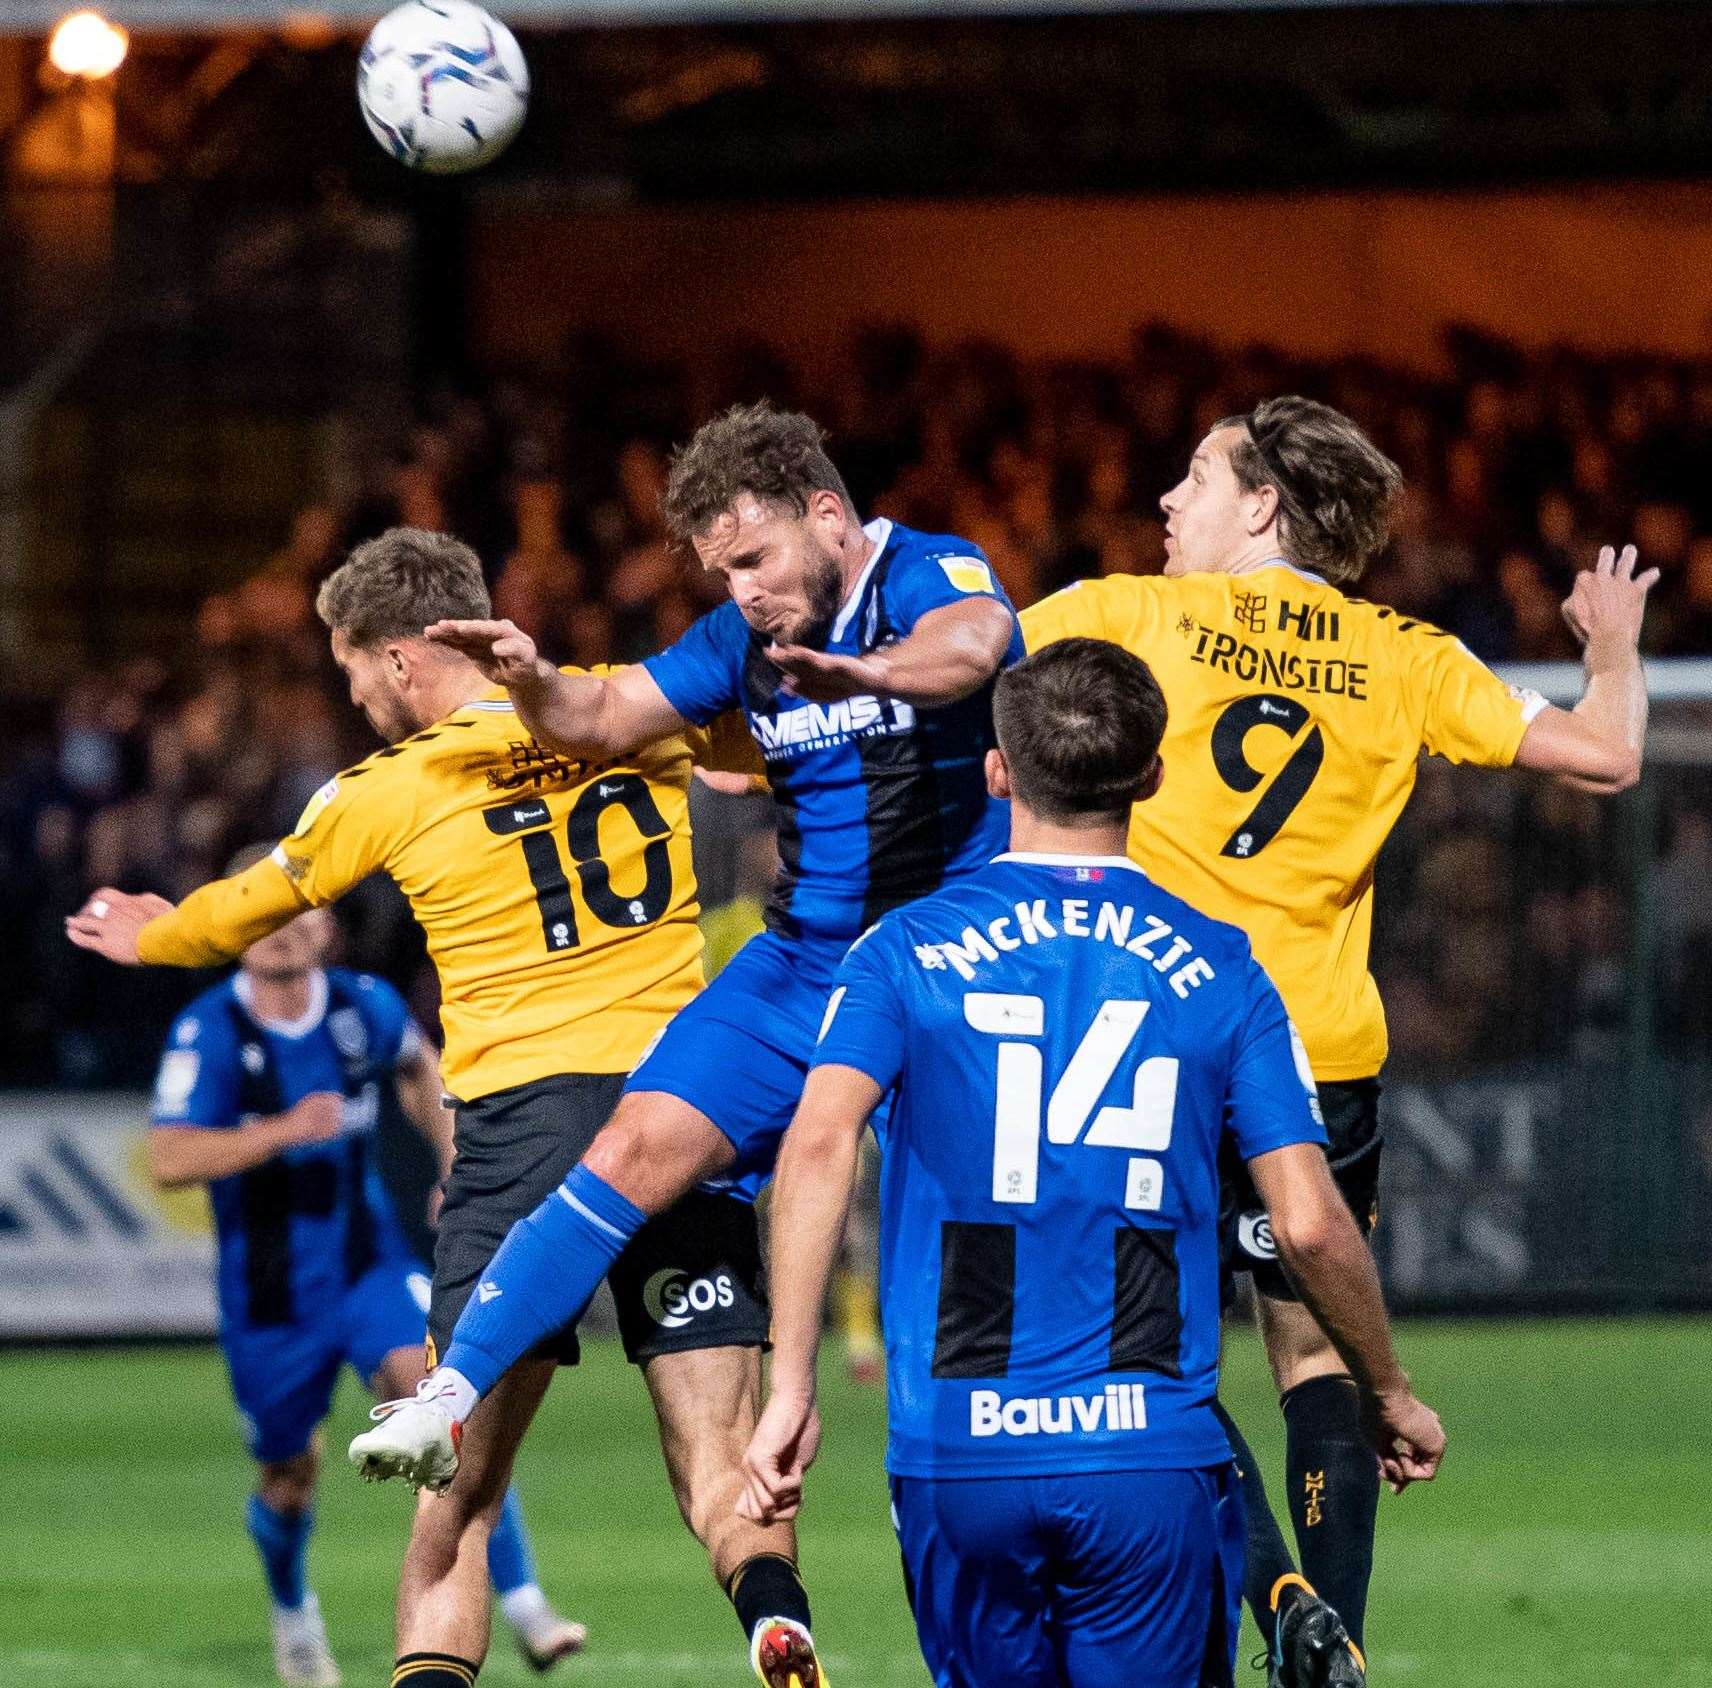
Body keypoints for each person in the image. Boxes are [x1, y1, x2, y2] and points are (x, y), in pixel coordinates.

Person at [349, 400, 1023, 1688]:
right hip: (798, 969)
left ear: (828, 518)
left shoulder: (926, 572)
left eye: (757, 558)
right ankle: (449, 1394)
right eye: (723, 571)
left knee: (963, 1319)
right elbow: (606, 718)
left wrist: (867, 675)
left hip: (948, 969)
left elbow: (975, 646)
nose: (746, 591)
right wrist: (533, 678)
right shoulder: (740, 639)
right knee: (633, 1141)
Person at [67, 526, 796, 1688]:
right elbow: (773, 753)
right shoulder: (622, 706)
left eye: (352, 668)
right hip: (682, 1106)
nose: (352, 696)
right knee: (721, 1468)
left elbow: (243, 907)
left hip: (526, 1129)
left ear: (402, 656)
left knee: (453, 1510)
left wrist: (148, 930)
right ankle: (772, 1611)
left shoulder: (389, 785)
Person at [1019, 396, 1654, 1683]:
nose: (1164, 503)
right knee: (1311, 1358)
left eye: (1190, 478)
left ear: (1260, 504)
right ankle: (1336, 1648)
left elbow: (956, 649)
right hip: (1316, 1053)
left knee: (1133, 1368)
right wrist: (1612, 650)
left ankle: (1279, 1594)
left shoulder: (1130, 614)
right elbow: (1602, 758)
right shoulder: (1400, 652)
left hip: (1148, 1047)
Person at [738, 639, 1445, 1688]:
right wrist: (1384, 1384)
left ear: (995, 771)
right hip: (1145, 1455)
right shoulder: (1223, 965)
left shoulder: (900, 948)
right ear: (1152, 777)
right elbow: (1304, 1220)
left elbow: (816, 1139)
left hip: (957, 1448)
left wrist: (789, 1379)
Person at [147, 862, 583, 1686]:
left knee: (443, 1398)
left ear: (325, 924)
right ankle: (292, 1613)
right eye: (266, 910)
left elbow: (424, 1071)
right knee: (290, 1475)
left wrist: (460, 1174)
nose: (286, 925)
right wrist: (281, 1131)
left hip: (367, 1264)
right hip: (270, 1292)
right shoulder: (207, 1032)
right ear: (235, 921)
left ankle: (525, 1604)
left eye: (301, 908)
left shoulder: (361, 1006)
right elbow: (169, 1156)